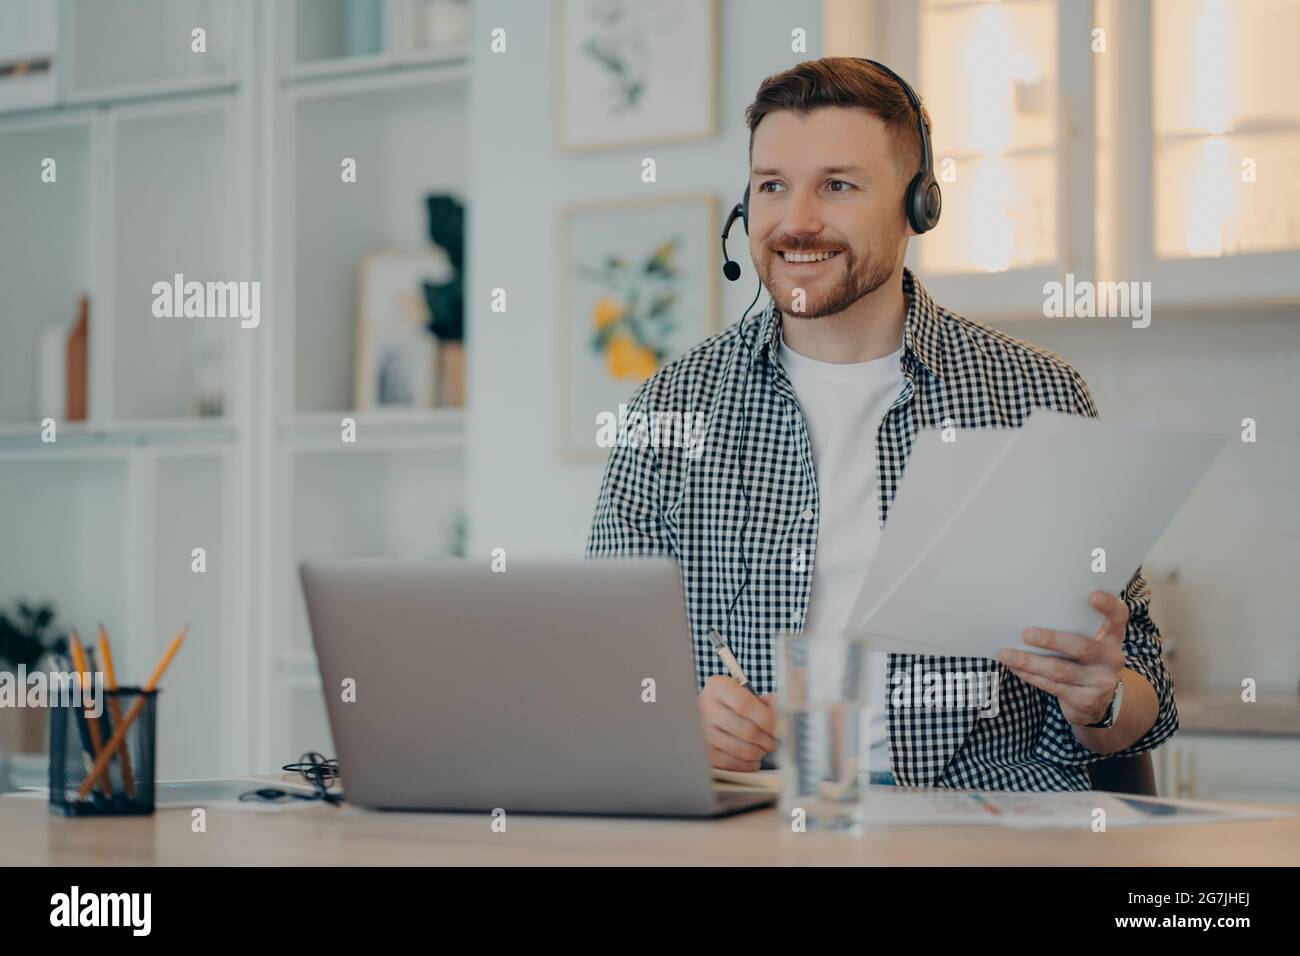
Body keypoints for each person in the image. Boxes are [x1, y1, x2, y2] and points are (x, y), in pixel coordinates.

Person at [587, 58, 1176, 790]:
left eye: (837, 185)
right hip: (762, 829)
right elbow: (605, 670)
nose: (797, 221)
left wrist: (1104, 697)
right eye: (773, 186)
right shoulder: (668, 408)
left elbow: (1140, 681)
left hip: (986, 832)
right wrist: (671, 719)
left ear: (918, 206)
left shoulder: (1036, 393)